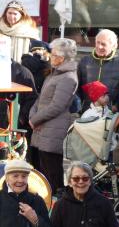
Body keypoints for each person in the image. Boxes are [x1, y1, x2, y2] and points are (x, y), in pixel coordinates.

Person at [29, 38, 78, 194]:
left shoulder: (68, 77)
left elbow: (57, 106)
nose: (50, 57)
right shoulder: (54, 73)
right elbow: (41, 98)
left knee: (51, 173)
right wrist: (32, 114)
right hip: (41, 128)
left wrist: (35, 119)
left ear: (62, 58)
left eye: (54, 54)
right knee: (40, 171)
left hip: (53, 129)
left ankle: (53, 207)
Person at [78, 29, 119, 112]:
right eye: (97, 42)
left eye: (103, 44)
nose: (99, 47)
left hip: (110, 113)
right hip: (86, 112)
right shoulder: (84, 61)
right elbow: (77, 87)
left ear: (113, 46)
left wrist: (117, 106)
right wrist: (79, 107)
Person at [50, 161, 118, 227]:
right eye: (76, 178)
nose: (81, 182)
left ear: (90, 181)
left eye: (85, 178)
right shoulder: (60, 206)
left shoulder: (104, 203)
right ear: (70, 182)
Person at [0, 159, 52, 227]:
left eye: (24, 176)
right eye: (15, 176)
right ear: (6, 178)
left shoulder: (37, 200)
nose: (20, 180)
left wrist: (35, 220)